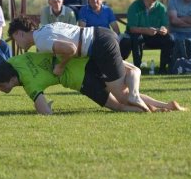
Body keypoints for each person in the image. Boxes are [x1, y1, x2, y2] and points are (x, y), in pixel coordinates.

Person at [8, 16, 150, 111]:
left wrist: (60, 66)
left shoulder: (41, 41)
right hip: (101, 35)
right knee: (130, 74)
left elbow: (71, 48)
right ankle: (163, 106)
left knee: (122, 96)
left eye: (15, 39)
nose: (18, 45)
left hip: (99, 45)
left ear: (20, 33)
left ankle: (141, 102)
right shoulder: (45, 28)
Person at [0, 52, 187, 114]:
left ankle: (147, 111)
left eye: (2, 86)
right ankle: (165, 106)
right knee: (126, 90)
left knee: (119, 105)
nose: (0, 89)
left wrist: (47, 107)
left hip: (81, 80)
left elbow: (45, 113)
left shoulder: (30, 83)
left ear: (11, 79)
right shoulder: (14, 61)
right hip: (87, 60)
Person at [126, 0, 174, 73]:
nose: (152, 0)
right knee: (136, 38)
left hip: (155, 35)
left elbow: (166, 26)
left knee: (169, 39)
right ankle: (137, 68)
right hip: (139, 35)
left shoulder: (161, 8)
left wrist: (164, 30)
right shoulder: (134, 6)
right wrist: (146, 30)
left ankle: (163, 68)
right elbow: (132, 28)